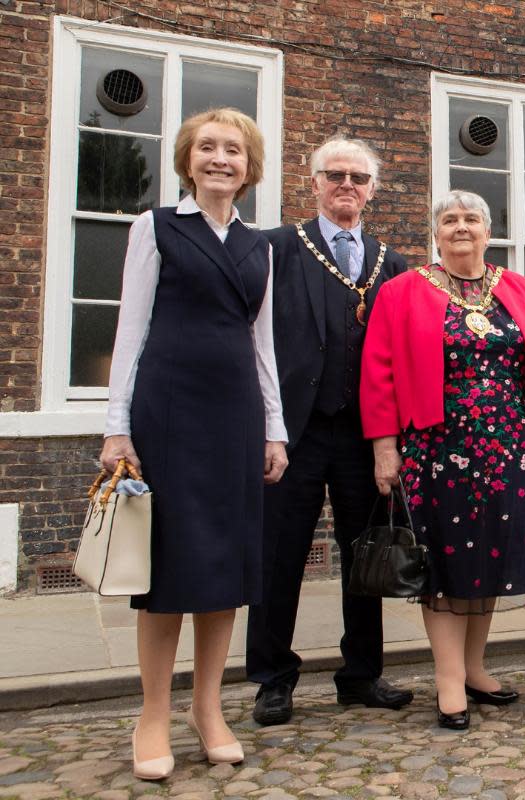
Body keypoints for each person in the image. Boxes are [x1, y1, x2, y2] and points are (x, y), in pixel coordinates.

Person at [99, 108, 287, 780]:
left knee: (226, 568)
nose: (219, 159)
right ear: (187, 159)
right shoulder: (155, 228)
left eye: (232, 150)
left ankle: (208, 708)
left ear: (248, 165)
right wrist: (116, 426)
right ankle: (154, 711)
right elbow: (130, 331)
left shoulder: (260, 246)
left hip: (236, 415)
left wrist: (276, 429)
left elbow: (262, 345)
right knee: (170, 570)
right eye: (207, 148)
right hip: (169, 411)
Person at [360, 190, 525, 730]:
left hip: (508, 446)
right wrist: (384, 446)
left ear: (487, 230)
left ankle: (474, 667)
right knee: (447, 564)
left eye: (471, 218)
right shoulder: (402, 291)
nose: (460, 227)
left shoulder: (518, 287)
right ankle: (448, 677)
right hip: (437, 448)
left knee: (489, 556)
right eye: (449, 220)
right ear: (436, 233)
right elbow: (378, 369)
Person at [246, 136, 411, 727]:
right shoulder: (276, 249)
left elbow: (400, 356)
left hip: (365, 436)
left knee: (366, 557)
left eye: (359, 177)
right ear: (313, 182)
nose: (347, 185)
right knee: (278, 556)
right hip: (291, 431)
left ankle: (361, 674)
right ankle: (272, 677)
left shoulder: (392, 264)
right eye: (335, 174)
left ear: (372, 189)